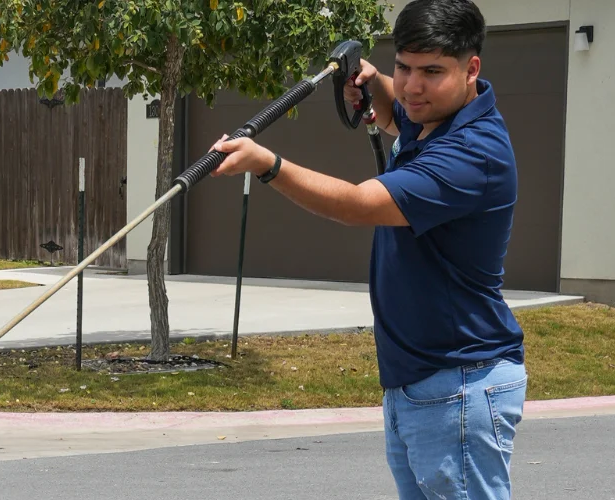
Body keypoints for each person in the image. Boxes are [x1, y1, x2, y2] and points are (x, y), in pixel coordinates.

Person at [208, 0, 526, 498]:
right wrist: (372, 80)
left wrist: (266, 164)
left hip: (459, 383)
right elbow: (399, 117)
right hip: (421, 382)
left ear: (472, 69)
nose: (413, 86)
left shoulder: (472, 154)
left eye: (432, 72)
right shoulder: (434, 120)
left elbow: (358, 205)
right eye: (404, 67)